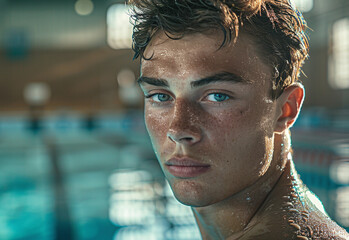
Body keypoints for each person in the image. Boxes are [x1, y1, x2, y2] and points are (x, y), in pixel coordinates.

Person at [129, 0, 349, 239]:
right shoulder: (304, 207)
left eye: (217, 96)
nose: (178, 129)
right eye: (160, 96)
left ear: (286, 109)